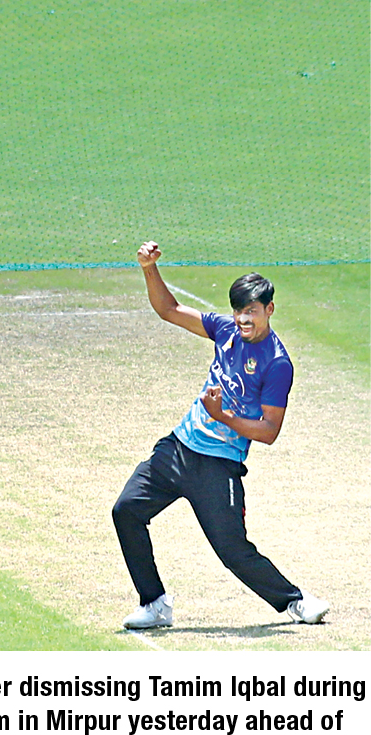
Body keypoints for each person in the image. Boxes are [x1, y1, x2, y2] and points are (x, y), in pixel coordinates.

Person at [111, 240, 329, 629]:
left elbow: (269, 431)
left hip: (219, 465)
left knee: (232, 551)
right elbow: (169, 310)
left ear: (269, 310)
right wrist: (148, 268)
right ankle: (155, 604)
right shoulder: (226, 330)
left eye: (252, 311)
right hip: (178, 448)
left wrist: (222, 416)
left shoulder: (277, 364)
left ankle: (296, 602)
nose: (243, 319)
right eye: (238, 310)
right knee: (126, 510)